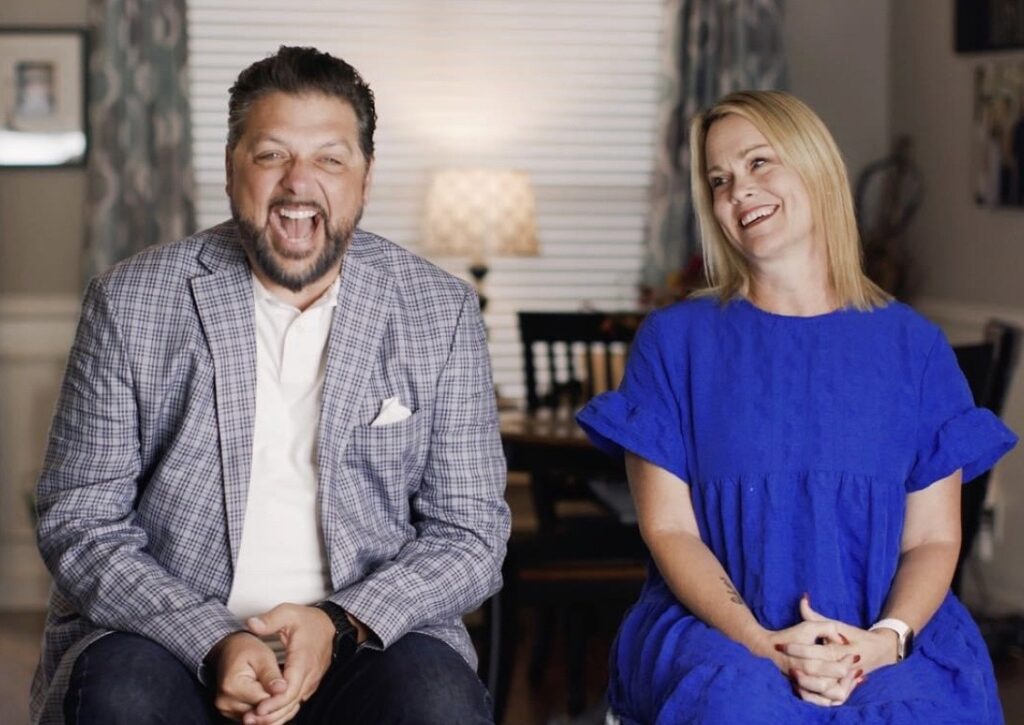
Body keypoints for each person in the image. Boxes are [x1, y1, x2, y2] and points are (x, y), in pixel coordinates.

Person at [31, 46, 509, 725]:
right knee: (120, 698)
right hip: (164, 632)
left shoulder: (440, 309)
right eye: (271, 154)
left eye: (329, 158)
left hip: (366, 636)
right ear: (232, 168)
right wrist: (212, 638)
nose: (298, 182)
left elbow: (470, 532)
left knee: (440, 704)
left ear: (364, 178)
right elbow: (81, 518)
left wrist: (340, 621)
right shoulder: (130, 300)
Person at [577, 90, 1017, 724]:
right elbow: (670, 530)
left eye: (760, 163)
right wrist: (763, 643)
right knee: (736, 706)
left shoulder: (915, 348)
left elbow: (932, 538)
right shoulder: (674, 343)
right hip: (722, 630)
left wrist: (884, 641)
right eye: (719, 179)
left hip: (885, 628)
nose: (739, 191)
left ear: (816, 167)